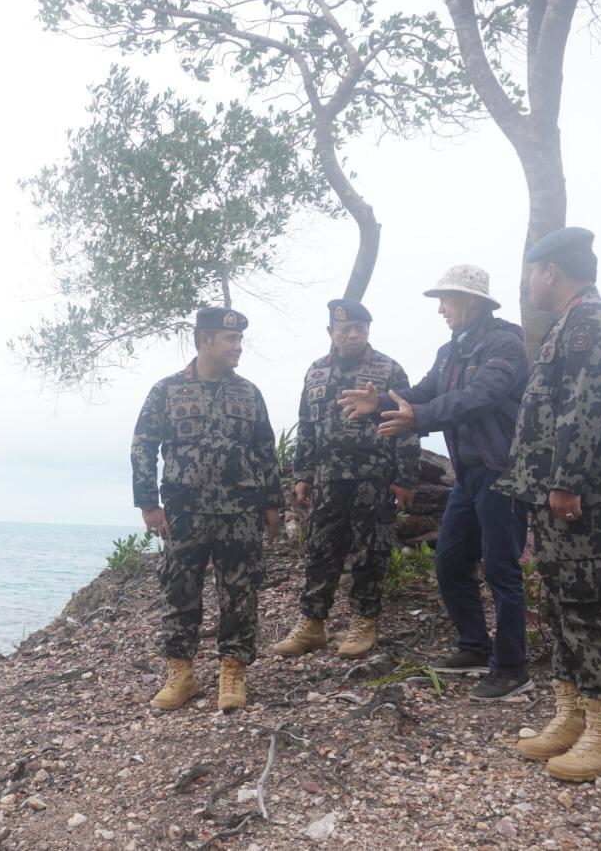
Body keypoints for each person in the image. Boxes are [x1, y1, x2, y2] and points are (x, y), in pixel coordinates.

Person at [337, 266, 532, 700]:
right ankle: (475, 647)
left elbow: (479, 396)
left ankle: (513, 666)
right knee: (449, 561)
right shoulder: (450, 351)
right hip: (469, 475)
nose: (441, 309)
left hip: (503, 472)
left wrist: (417, 419)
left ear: (473, 301)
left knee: (501, 568)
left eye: (447, 300)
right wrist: (379, 403)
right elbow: (423, 391)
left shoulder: (505, 343)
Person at [496, 227, 601, 782]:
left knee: (590, 606)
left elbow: (585, 408)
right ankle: (574, 715)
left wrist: (565, 480)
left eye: (531, 271)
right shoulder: (569, 322)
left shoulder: (592, 323)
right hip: (560, 494)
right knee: (562, 603)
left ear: (550, 270)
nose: (528, 282)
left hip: (584, 495)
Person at [131, 306, 283, 713]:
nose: (238, 347)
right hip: (184, 514)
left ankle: (232, 672)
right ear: (205, 340)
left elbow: (265, 451)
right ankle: (181, 672)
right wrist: (148, 502)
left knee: (240, 593)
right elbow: (143, 444)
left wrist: (273, 504)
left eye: (239, 340)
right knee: (180, 592)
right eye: (230, 339)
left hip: (240, 514)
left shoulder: (248, 393)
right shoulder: (166, 391)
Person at [271, 299, 420, 660]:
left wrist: (405, 478)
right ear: (331, 332)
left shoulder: (389, 369)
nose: (353, 335)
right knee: (322, 549)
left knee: (372, 551)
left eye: (360, 329)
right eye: (345, 329)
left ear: (368, 330)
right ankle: (312, 624)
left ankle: (363, 622)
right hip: (328, 478)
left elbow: (407, 425)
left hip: (375, 477)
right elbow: (306, 424)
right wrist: (303, 474)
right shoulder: (316, 371)